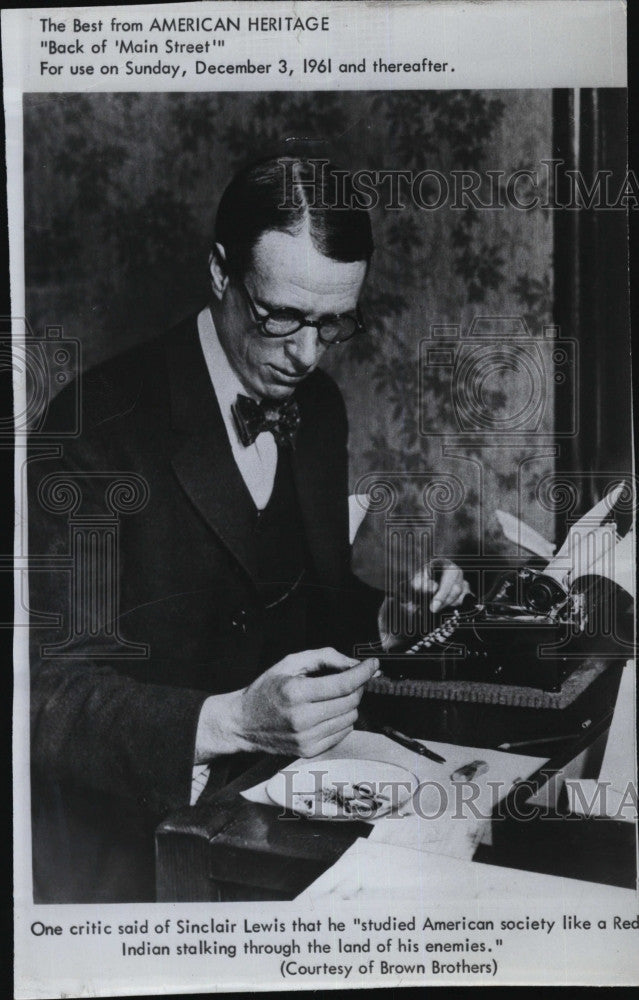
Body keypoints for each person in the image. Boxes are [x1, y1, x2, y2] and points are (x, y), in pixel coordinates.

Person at [28, 157, 467, 903]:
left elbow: (302, 604)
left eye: (332, 324)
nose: (305, 354)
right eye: (280, 316)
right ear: (219, 272)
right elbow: (46, 696)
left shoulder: (318, 408)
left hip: (276, 818)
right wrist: (234, 719)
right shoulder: (93, 428)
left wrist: (391, 618)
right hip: (136, 855)